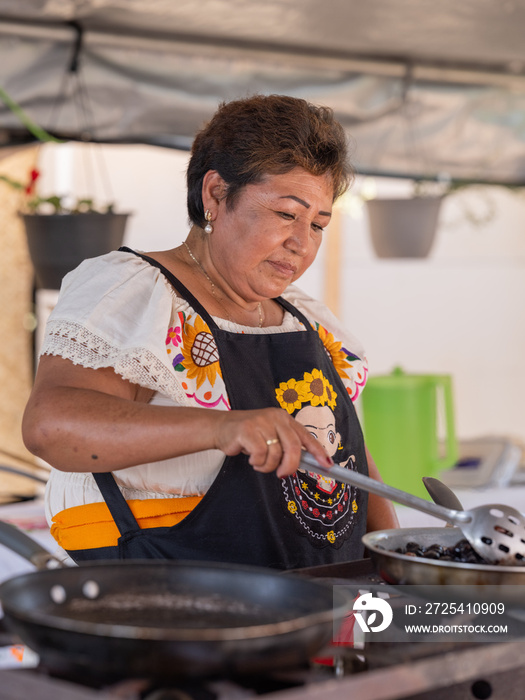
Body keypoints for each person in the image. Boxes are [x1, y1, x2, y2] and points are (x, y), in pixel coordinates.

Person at [22, 94, 398, 569]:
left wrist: (397, 564)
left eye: (318, 224)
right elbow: (50, 426)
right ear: (216, 194)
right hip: (178, 606)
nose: (302, 244)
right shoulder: (136, 290)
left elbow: (353, 459)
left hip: (322, 603)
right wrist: (222, 427)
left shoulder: (307, 319)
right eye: (287, 214)